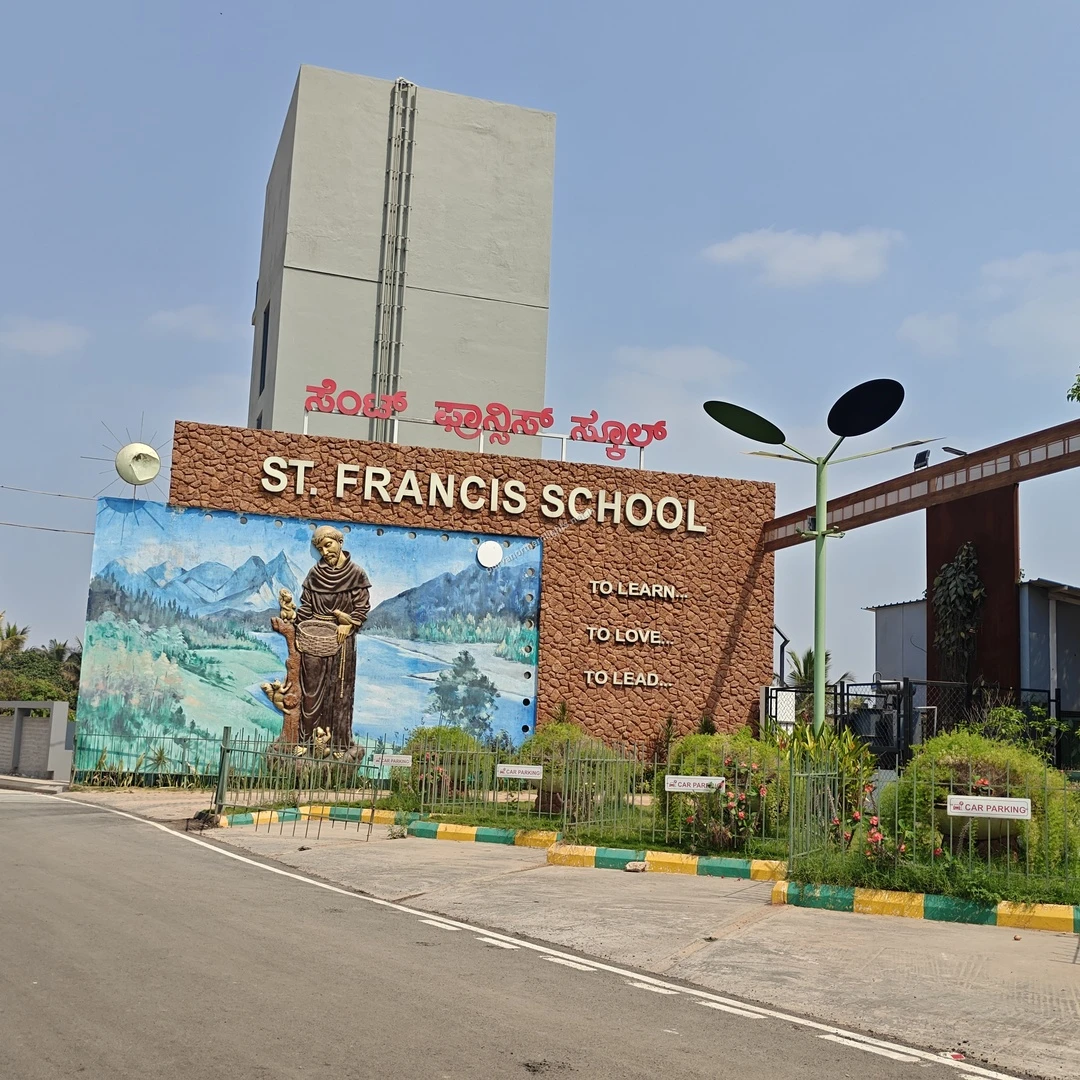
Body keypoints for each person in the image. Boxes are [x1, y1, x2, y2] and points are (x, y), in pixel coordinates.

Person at [295, 525, 370, 744]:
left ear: (340, 542)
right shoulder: (315, 574)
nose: (325, 552)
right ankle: (306, 741)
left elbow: (362, 608)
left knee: (339, 691)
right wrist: (297, 627)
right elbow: (306, 607)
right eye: (320, 549)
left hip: (342, 639)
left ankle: (338, 743)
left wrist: (350, 625)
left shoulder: (356, 574)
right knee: (311, 692)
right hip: (314, 638)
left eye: (328, 545)